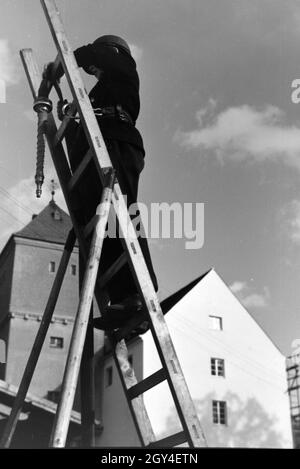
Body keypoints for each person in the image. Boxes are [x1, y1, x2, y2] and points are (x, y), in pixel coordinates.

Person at [45, 35, 158, 330]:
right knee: (102, 219)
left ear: (112, 51)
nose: (93, 70)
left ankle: (139, 292)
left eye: (94, 66)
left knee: (121, 212)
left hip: (117, 142)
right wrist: (71, 120)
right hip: (107, 142)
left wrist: (61, 66)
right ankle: (123, 300)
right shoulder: (106, 90)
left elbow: (97, 55)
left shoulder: (123, 67)